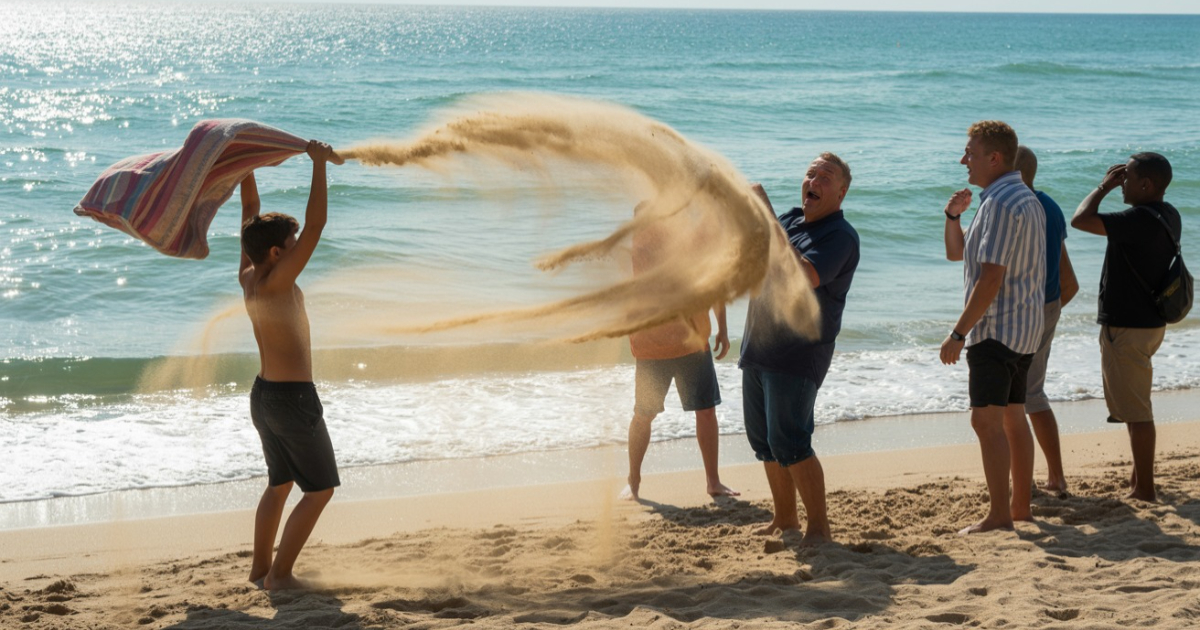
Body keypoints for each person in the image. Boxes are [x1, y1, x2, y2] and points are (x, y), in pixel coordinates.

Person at [739, 153, 860, 546]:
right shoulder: (791, 220)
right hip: (759, 344)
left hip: (797, 354)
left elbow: (802, 275)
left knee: (791, 441)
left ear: (841, 192)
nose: (815, 180)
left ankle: (819, 529)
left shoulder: (841, 237)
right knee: (765, 443)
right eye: (811, 173)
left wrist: (767, 216)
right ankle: (785, 519)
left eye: (825, 176)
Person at [239, 140, 344, 590]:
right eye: (292, 242)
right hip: (292, 401)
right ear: (278, 254)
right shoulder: (278, 283)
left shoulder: (250, 274)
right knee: (319, 489)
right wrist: (318, 164)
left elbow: (250, 212)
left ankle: (259, 571)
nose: (299, 245)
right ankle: (280, 576)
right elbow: (318, 223)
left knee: (279, 484)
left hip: (264, 395)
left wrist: (242, 164)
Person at [940, 121, 1045, 535]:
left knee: (986, 423)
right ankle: (1019, 508)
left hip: (997, 329)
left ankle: (1001, 515)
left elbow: (991, 277)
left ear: (994, 158)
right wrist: (952, 216)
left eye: (970, 152)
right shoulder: (1021, 196)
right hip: (1023, 328)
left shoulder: (1001, 202)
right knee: (1013, 419)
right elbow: (959, 255)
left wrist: (959, 332)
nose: (964, 159)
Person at [1069, 152, 1181, 503]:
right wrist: (1114, 183)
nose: (1122, 183)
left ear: (1146, 184)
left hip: (1129, 326)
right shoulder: (1168, 214)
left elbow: (1080, 219)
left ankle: (1145, 490)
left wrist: (1102, 187)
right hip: (1149, 323)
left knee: (1136, 412)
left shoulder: (1137, 221)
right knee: (1137, 405)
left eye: (1127, 178)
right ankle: (1139, 482)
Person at [621, 203, 737, 501]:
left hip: (693, 345)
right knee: (643, 415)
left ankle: (713, 481)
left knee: (706, 411)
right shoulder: (636, 248)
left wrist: (722, 328)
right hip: (650, 348)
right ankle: (633, 482)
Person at [1014, 145, 1079, 496]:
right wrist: (1050, 310)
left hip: (1028, 310)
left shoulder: (1019, 207)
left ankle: (1037, 481)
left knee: (1023, 398)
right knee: (1031, 395)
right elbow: (1066, 274)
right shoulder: (1049, 205)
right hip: (1046, 304)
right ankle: (1055, 476)